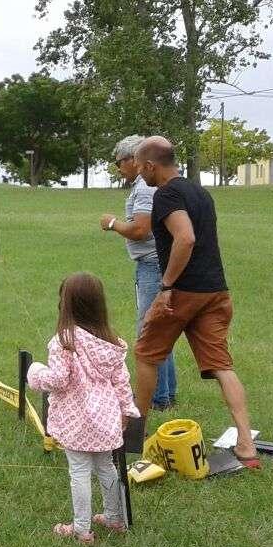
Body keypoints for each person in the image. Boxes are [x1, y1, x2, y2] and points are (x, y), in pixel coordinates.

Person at [133, 136, 260, 468]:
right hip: (216, 291)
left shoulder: (165, 194)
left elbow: (186, 237)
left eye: (140, 167)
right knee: (222, 365)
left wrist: (166, 286)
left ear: (151, 165)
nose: (139, 173)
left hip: (183, 293)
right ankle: (246, 445)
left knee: (146, 354)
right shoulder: (200, 192)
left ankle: (134, 436)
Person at [27, 273, 140, 544]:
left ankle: (81, 529)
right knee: (106, 466)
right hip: (106, 420)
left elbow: (58, 380)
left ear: (66, 304)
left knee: (79, 471)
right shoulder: (111, 342)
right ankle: (114, 518)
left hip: (75, 421)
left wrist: (35, 373)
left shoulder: (63, 340)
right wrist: (126, 410)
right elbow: (122, 382)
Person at [100, 135, 178, 410]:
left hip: (152, 265)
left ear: (133, 160)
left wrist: (112, 223)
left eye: (119, 162)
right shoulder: (144, 186)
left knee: (150, 331)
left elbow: (141, 229)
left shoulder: (144, 188)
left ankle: (156, 397)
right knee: (160, 329)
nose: (118, 168)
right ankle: (165, 394)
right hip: (155, 264)